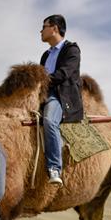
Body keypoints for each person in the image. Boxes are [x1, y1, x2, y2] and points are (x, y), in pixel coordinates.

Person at [39, 14, 83, 185]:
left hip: (59, 96)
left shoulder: (71, 50)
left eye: (44, 27)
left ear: (54, 28)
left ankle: (54, 167)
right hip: (42, 95)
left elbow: (65, 73)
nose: (41, 31)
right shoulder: (45, 55)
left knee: (49, 121)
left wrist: (41, 82)